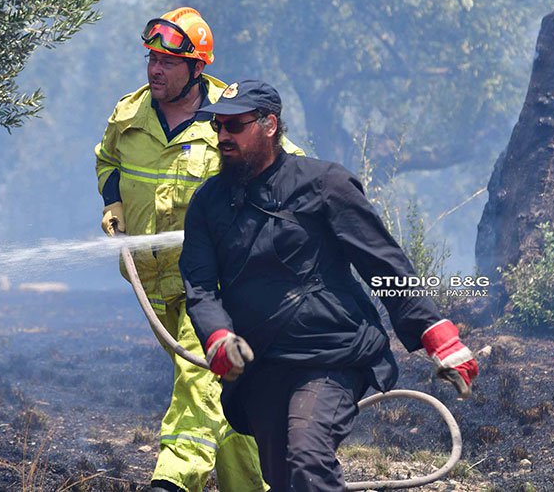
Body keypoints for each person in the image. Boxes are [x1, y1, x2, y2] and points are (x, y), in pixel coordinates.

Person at [179, 80, 479, 491]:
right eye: (218, 127)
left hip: (332, 353)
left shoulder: (325, 185)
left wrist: (436, 335)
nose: (222, 137)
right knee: (282, 478)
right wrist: (217, 337)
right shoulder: (207, 202)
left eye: (234, 126)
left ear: (269, 125)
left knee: (309, 456)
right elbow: (198, 286)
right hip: (262, 362)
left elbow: (383, 264)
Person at [94, 10, 303, 492]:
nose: (155, 70)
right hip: (155, 281)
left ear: (197, 69)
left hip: (220, 282)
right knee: (224, 394)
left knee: (196, 376)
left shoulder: (232, 118)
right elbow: (106, 160)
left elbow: (290, 170)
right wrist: (114, 202)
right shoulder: (128, 116)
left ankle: (172, 478)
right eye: (151, 58)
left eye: (168, 61)